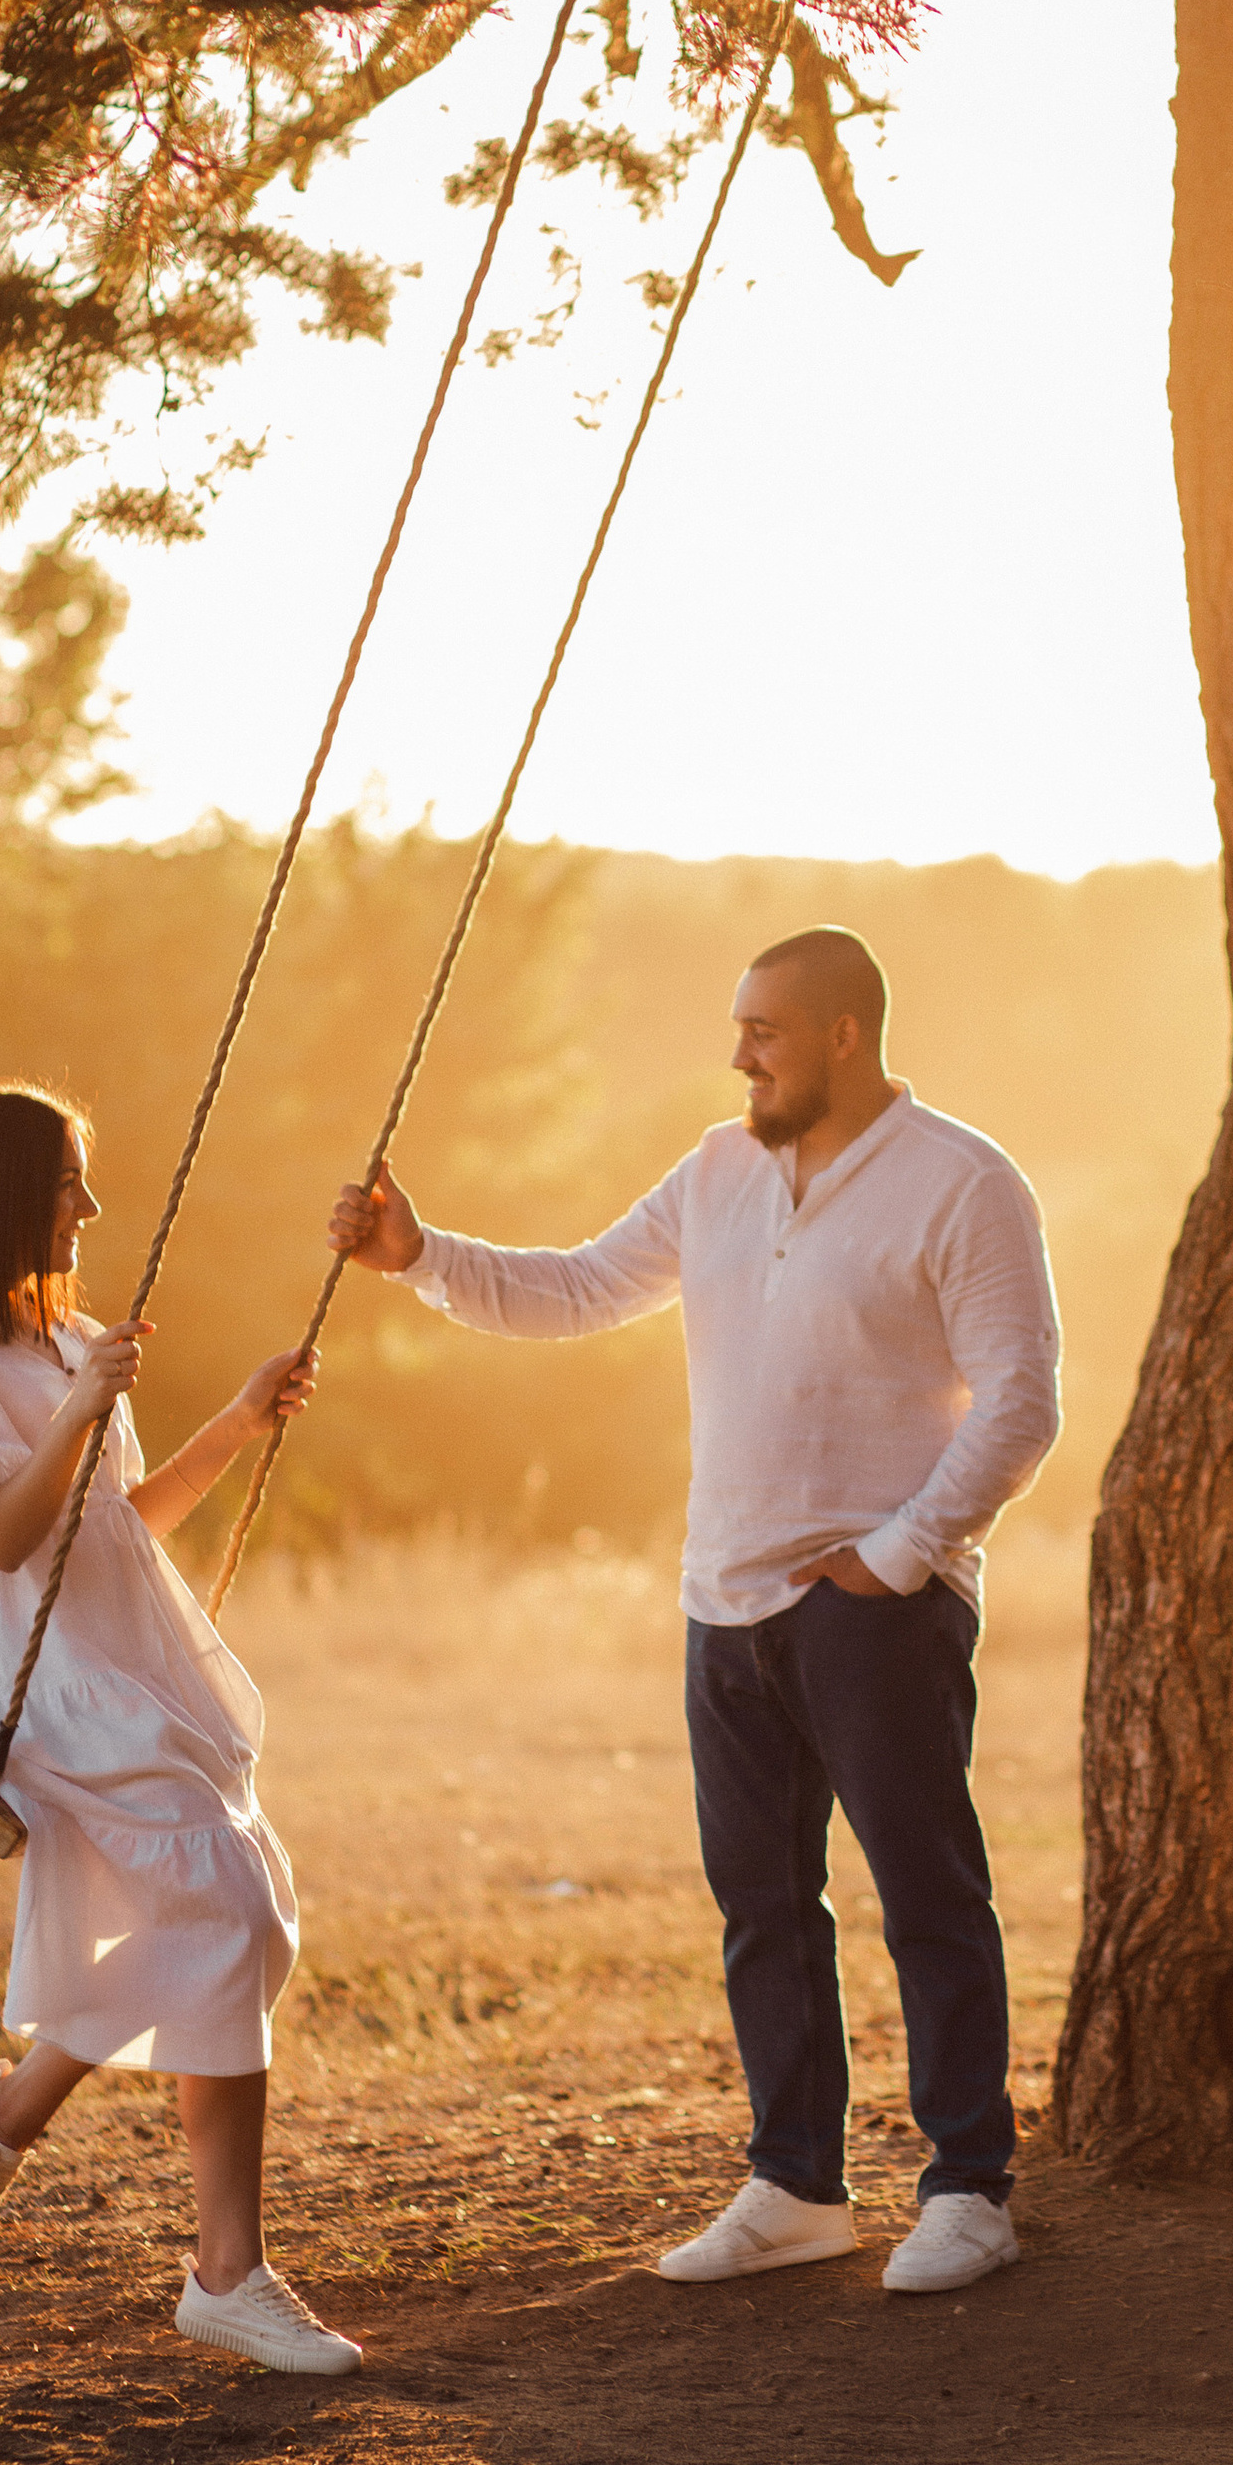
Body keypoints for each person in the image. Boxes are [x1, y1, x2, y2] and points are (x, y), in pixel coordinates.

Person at [330, 927, 1060, 2296]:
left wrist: (900, 1555)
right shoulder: (719, 1172)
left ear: (846, 1033)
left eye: (765, 1031)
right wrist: (418, 1253)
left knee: (927, 1900)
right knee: (763, 1909)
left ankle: (971, 2186)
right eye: (738, 1027)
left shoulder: (963, 1184)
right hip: (723, 1605)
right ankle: (798, 2187)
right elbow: (580, 1287)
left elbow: (1022, 1402)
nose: (737, 1055)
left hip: (876, 1611)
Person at [0, 1079, 360, 2378]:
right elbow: (6, 1534)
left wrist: (236, 1424)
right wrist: (82, 1403)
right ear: (0, 1196)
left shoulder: (65, 1337)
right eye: (68, 1181)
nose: (90, 1205)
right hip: (42, 1694)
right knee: (232, 1911)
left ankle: (6, 2109)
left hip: (132, 1668)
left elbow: (119, 1523)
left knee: (228, 1920)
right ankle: (227, 2275)